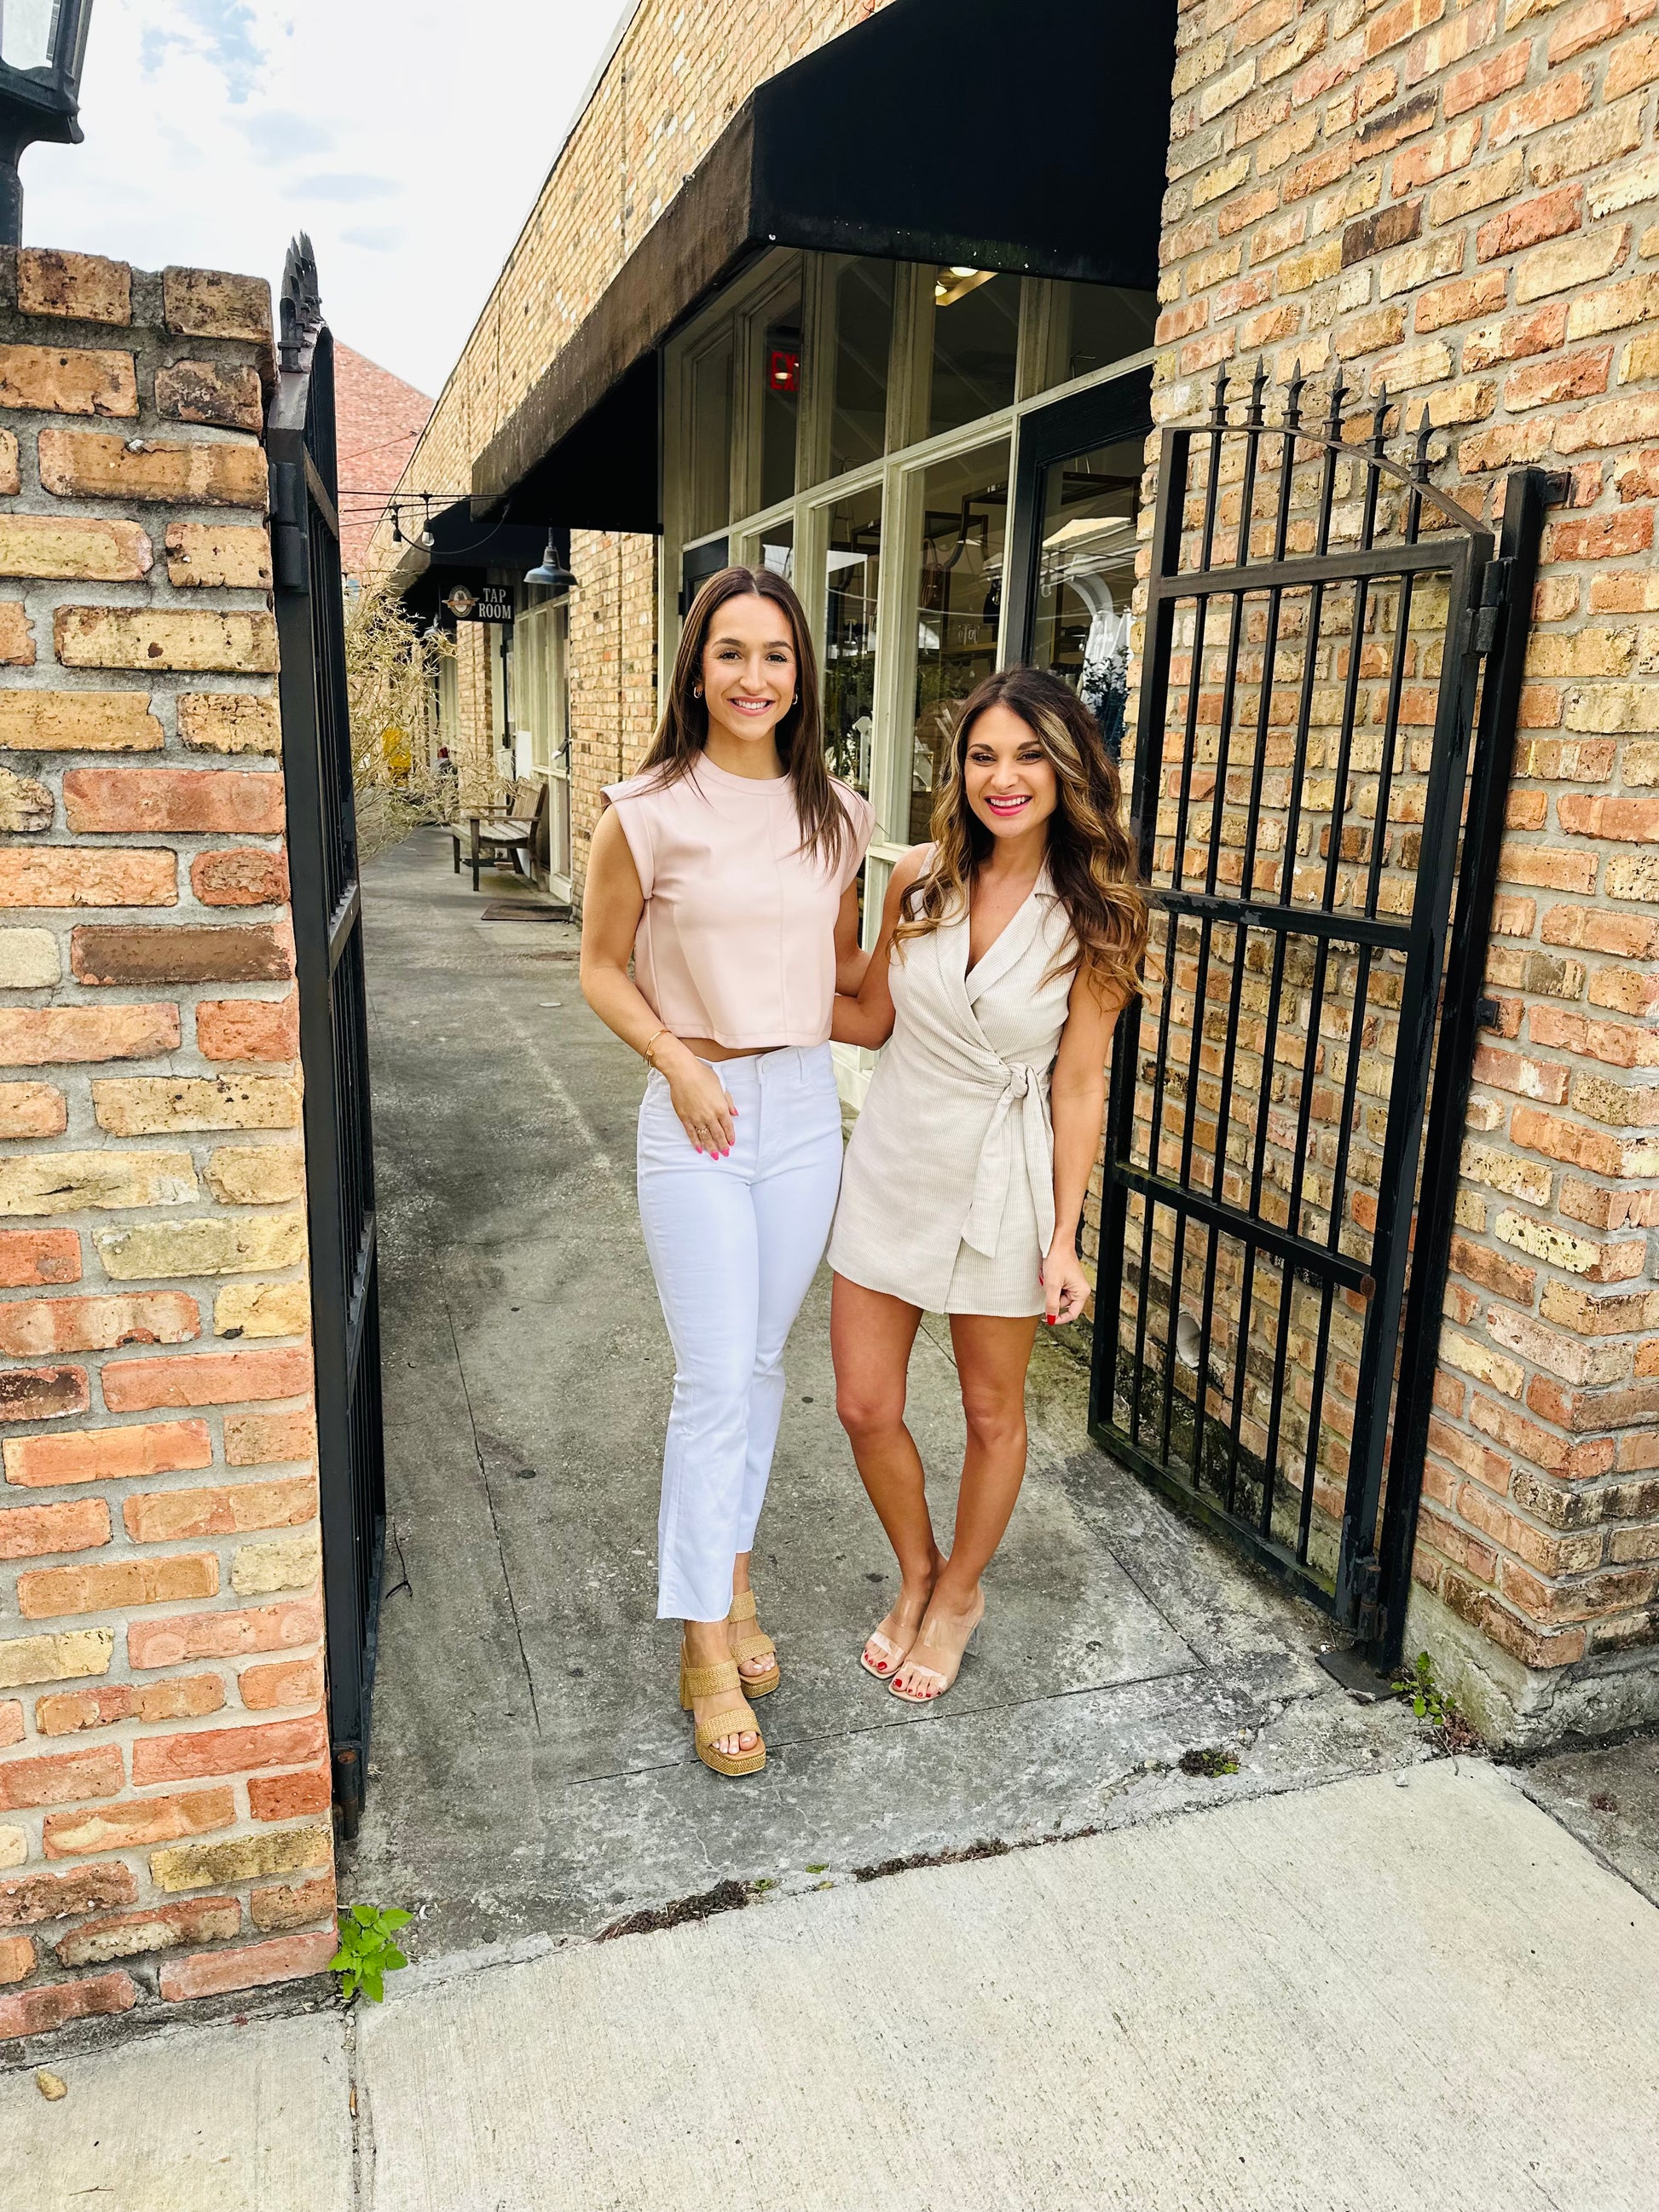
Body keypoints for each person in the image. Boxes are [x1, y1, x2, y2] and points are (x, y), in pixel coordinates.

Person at [580, 567, 872, 1776]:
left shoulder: (838, 814)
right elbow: (599, 967)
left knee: (757, 1369)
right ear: (695, 670)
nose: (755, 677)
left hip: (803, 1110)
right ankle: (703, 1641)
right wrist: (673, 1057)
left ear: (803, 675)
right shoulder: (644, 811)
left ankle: (734, 1583)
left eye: (777, 655)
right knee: (711, 1380)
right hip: (697, 1111)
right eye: (731, 653)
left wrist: (933, 914)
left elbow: (843, 985)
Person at [829, 666, 1147, 1701]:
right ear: (957, 768)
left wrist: (1064, 1237)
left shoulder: (1097, 913)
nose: (1001, 778)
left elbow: (1080, 1084)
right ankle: (916, 1568)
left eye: (1026, 757)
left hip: (1004, 1178)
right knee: (863, 1405)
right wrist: (735, 981)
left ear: (1066, 770)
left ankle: (958, 1594)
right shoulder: (919, 878)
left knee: (989, 1412)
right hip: (893, 1157)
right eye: (981, 756)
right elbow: (867, 1016)